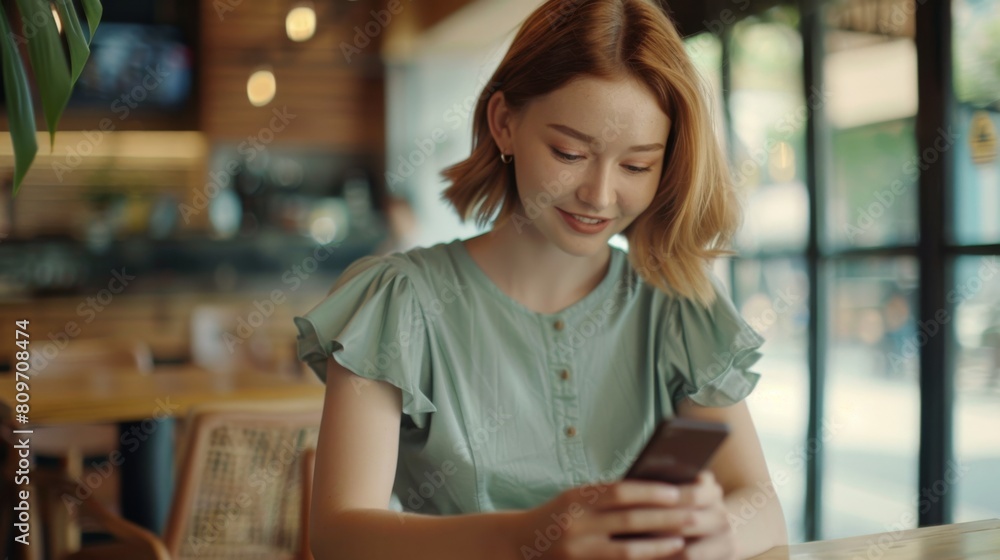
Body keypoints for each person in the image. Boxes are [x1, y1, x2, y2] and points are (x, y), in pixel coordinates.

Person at [293, 0, 788, 558]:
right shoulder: (397, 302)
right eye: (570, 152)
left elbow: (763, 506)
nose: (600, 196)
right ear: (504, 123)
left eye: (636, 166)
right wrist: (529, 538)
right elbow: (339, 535)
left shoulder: (675, 304)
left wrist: (716, 531)